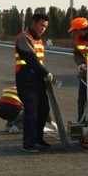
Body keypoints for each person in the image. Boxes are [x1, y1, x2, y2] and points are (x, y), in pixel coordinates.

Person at [14, 13, 53, 153]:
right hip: (26, 80)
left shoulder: (39, 40)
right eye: (41, 25)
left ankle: (38, 139)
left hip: (37, 79)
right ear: (33, 23)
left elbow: (38, 62)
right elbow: (31, 59)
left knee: (43, 110)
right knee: (32, 112)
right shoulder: (24, 37)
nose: (43, 29)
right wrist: (46, 73)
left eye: (45, 27)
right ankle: (28, 144)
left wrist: (43, 74)